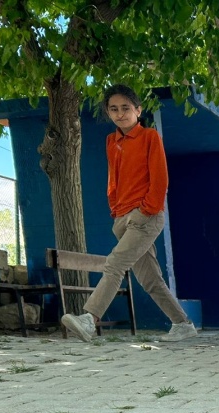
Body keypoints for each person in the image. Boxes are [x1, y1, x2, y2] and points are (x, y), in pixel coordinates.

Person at [61, 84, 198, 344]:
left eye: (125, 108)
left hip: (145, 217)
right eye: (113, 109)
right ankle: (183, 324)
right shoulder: (111, 142)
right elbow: (114, 178)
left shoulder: (149, 137)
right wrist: (115, 208)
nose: (120, 113)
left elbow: (160, 180)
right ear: (108, 113)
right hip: (122, 218)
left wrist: (146, 210)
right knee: (150, 280)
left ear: (138, 110)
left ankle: (89, 319)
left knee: (114, 264)